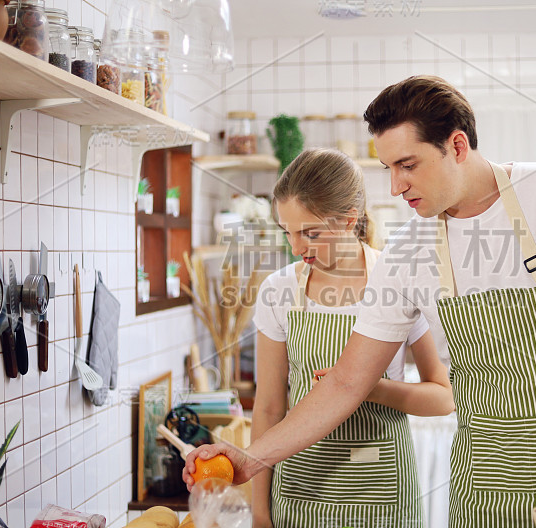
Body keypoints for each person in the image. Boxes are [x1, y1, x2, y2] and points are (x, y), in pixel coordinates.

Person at [184, 76, 536, 527]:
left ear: (456, 146)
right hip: (484, 494)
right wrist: (249, 457)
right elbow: (347, 384)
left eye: (408, 165)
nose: (396, 185)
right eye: (387, 168)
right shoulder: (408, 252)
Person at [184, 148, 454, 528]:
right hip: (298, 493)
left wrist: (372, 388)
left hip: (381, 494)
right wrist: (261, 514)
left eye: (310, 233)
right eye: (288, 232)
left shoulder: (395, 282)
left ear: (349, 220)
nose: (296, 248)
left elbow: (443, 397)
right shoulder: (279, 291)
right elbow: (268, 409)